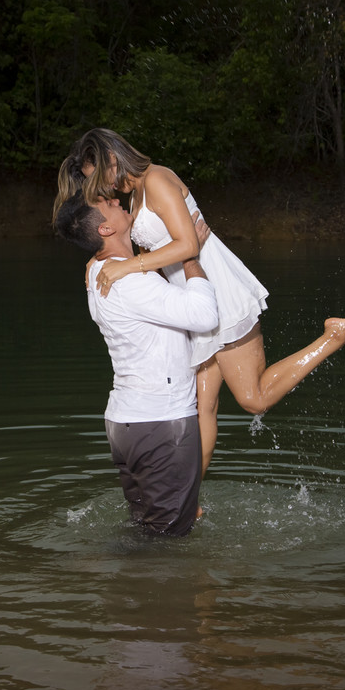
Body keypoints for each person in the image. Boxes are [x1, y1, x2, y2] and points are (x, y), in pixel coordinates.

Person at [54, 128, 345, 478]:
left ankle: (333, 337)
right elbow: (152, 248)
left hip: (217, 291)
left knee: (254, 398)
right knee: (202, 407)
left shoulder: (158, 179)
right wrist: (99, 262)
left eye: (96, 177)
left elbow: (188, 246)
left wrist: (127, 266)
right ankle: (189, 499)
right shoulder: (133, 196)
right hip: (192, 298)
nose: (100, 189)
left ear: (112, 159)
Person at [53, 187, 219, 536]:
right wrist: (191, 258)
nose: (116, 200)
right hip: (161, 423)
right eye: (108, 204)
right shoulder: (129, 281)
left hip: (127, 425)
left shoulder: (99, 271)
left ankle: (126, 585)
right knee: (168, 541)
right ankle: (147, 585)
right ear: (105, 230)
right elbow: (204, 316)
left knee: (145, 530)